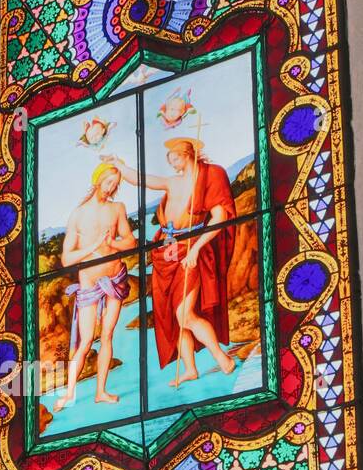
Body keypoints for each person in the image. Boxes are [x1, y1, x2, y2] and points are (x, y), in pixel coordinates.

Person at [108, 140, 236, 383]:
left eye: (175, 158)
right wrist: (118, 164)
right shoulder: (173, 182)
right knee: (173, 317)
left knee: (185, 314)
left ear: (187, 153)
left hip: (190, 250)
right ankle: (190, 369)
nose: (172, 163)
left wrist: (196, 249)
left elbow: (220, 217)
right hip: (167, 253)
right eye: (170, 160)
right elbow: (141, 179)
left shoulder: (210, 176)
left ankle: (222, 358)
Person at [53, 161, 136, 410]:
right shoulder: (78, 215)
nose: (111, 188)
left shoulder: (117, 208)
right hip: (89, 284)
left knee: (108, 334)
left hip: (115, 278)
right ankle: (69, 393)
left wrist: (114, 245)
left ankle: (101, 391)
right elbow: (67, 259)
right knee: (86, 339)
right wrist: (94, 246)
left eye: (116, 184)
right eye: (109, 182)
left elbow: (130, 241)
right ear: (98, 179)